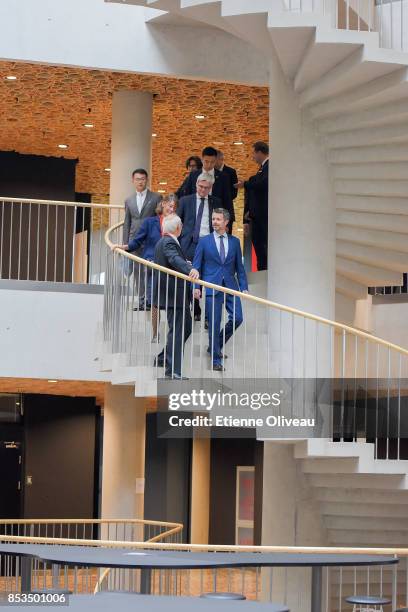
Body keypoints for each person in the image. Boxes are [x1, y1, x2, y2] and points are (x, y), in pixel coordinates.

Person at [113, 194, 177, 341]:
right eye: (169, 205)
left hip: (170, 266)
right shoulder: (150, 222)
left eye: (174, 207)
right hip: (152, 264)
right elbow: (137, 240)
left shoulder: (176, 223)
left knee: (169, 300)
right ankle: (155, 332)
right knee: (154, 301)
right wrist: (125, 247)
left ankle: (172, 333)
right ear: (162, 204)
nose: (171, 209)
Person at [192, 208, 248, 372]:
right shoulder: (204, 241)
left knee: (238, 318)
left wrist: (243, 287)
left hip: (231, 286)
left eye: (218, 219)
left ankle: (215, 345)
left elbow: (240, 267)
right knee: (214, 323)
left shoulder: (235, 242)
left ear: (226, 222)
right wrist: (197, 287)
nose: (214, 222)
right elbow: (197, 266)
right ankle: (216, 359)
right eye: (213, 219)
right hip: (212, 286)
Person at [153, 214, 199, 379]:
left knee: (186, 327)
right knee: (178, 331)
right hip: (174, 295)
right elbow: (174, 259)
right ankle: (173, 371)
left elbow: (174, 259)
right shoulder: (168, 242)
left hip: (175, 295)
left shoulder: (164, 242)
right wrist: (190, 270)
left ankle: (163, 358)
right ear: (178, 228)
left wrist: (186, 265)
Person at [178, 172, 222, 321]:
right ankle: (193, 309)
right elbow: (178, 222)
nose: (202, 190)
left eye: (206, 188)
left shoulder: (216, 202)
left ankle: (209, 317)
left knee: (208, 277)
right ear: (196, 185)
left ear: (211, 188)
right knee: (190, 276)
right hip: (190, 244)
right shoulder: (185, 201)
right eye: (200, 186)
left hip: (209, 243)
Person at [123, 168, 163, 309]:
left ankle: (151, 300)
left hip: (150, 241)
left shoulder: (156, 197)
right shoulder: (129, 200)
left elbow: (159, 219)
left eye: (143, 179)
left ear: (147, 180)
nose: (140, 182)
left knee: (150, 271)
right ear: (133, 181)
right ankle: (141, 301)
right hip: (134, 242)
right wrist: (125, 244)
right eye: (137, 179)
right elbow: (127, 222)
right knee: (138, 273)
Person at [235, 141, 269, 271]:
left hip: (263, 218)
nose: (252, 157)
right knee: (260, 251)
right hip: (256, 219)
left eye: (253, 153)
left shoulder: (270, 167)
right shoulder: (261, 169)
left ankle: (264, 275)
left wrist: (247, 183)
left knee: (264, 250)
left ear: (260, 152)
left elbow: (262, 183)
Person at [183, 146, 234, 229]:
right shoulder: (193, 175)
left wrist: (228, 223)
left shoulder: (223, 177)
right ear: (202, 159)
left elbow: (227, 200)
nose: (209, 165)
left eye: (212, 162)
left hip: (216, 218)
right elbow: (187, 195)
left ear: (216, 160)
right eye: (206, 161)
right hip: (195, 217)